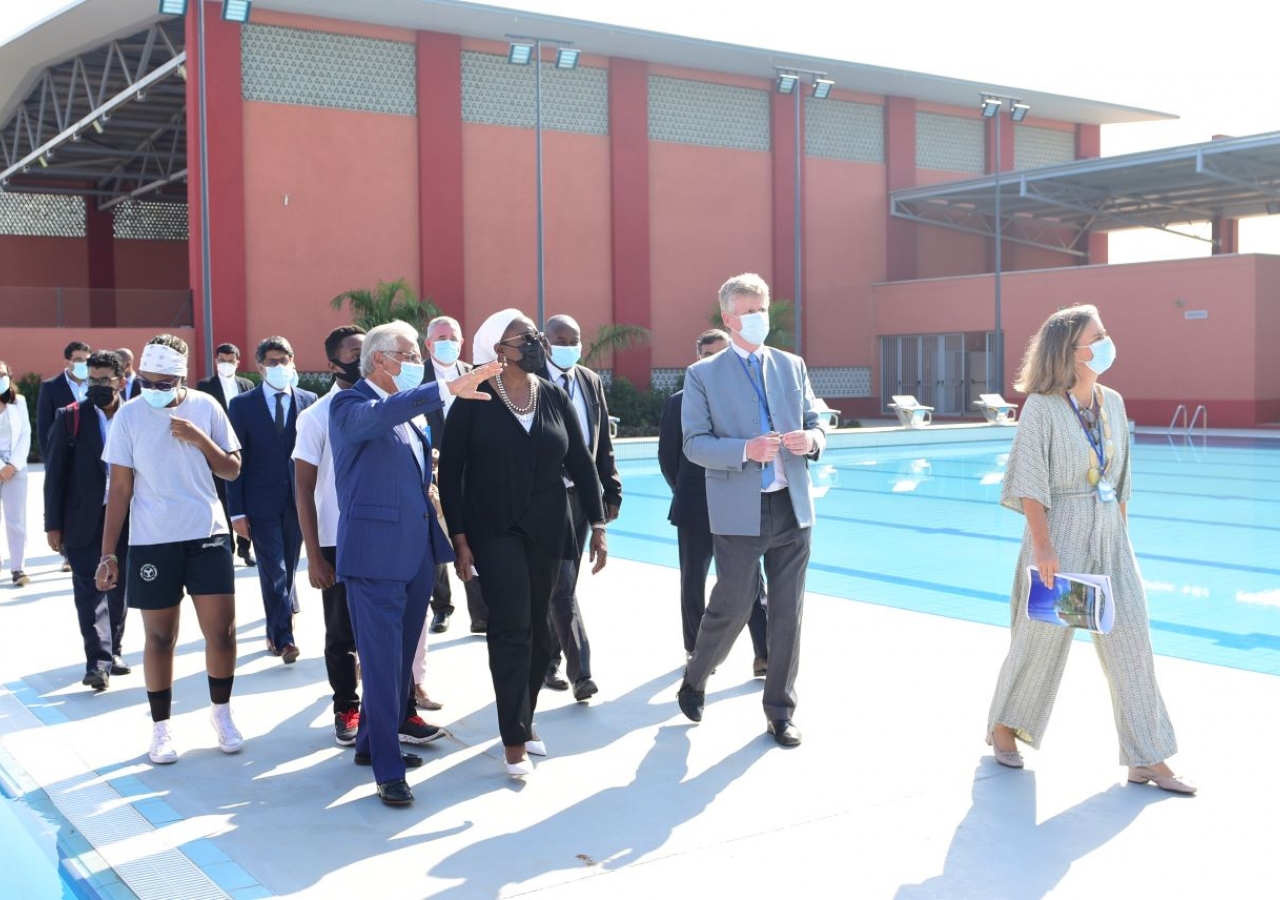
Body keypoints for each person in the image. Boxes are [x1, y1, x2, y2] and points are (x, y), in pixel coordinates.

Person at [986, 304, 1194, 794]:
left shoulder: (1114, 402)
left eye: (1105, 333)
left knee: (1132, 641)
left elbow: (1121, 481)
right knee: (1041, 640)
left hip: (1109, 536)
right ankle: (1004, 727)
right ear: (1072, 352)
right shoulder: (1041, 406)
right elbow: (1030, 483)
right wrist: (1043, 549)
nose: (1106, 342)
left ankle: (1147, 756)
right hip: (1062, 533)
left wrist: (1120, 539)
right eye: (1096, 336)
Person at [329, 321, 499, 807]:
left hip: (415, 555)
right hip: (374, 558)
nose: (414, 362)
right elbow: (377, 417)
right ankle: (387, 768)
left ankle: (367, 746)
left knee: (400, 665)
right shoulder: (349, 404)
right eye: (405, 354)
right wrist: (444, 387)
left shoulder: (408, 418)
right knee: (381, 668)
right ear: (379, 359)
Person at [439, 309, 607, 778]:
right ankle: (513, 739)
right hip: (494, 532)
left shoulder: (552, 395)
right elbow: (450, 474)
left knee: (539, 631)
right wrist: (460, 538)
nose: (536, 343)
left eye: (536, 336)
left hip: (549, 530)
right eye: (526, 337)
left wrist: (598, 524)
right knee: (511, 627)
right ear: (498, 350)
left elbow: (581, 461)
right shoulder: (473, 401)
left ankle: (524, 717)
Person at [676, 273, 826, 747]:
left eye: (762, 308)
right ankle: (696, 675)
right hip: (739, 510)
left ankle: (780, 710)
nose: (759, 317)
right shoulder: (702, 374)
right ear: (728, 317)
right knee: (733, 603)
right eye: (749, 310)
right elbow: (695, 444)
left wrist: (813, 439)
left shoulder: (791, 365)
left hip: (792, 506)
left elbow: (816, 421)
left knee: (788, 613)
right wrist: (746, 449)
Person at [96, 334, 245, 765]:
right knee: (160, 638)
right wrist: (108, 553)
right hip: (152, 540)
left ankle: (222, 713)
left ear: (181, 378)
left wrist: (201, 439)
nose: (153, 392)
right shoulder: (129, 416)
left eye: (164, 385)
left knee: (222, 632)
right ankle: (160, 729)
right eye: (146, 382)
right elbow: (120, 489)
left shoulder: (206, 408)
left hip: (207, 534)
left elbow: (232, 470)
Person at [658, 329, 769, 674]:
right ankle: (696, 650)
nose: (715, 363)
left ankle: (763, 652)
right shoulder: (679, 401)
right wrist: (690, 492)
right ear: (698, 358)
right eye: (709, 356)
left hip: (738, 506)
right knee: (692, 582)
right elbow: (668, 458)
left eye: (722, 355)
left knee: (750, 581)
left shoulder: (749, 401)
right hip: (695, 508)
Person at [540, 313, 622, 701]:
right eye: (560, 339)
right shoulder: (532, 380)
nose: (569, 346)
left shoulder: (589, 380)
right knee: (562, 586)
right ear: (544, 341)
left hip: (582, 496)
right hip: (546, 498)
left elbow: (601, 438)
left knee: (563, 584)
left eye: (575, 340)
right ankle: (582, 672)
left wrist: (610, 490)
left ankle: (547, 660)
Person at [294, 326, 369, 744]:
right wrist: (314, 555)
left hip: (382, 534)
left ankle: (396, 704)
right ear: (332, 363)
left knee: (385, 628)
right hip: (334, 539)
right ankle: (347, 707)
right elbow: (303, 488)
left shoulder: (387, 406)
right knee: (341, 632)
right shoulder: (315, 416)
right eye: (354, 352)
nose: (363, 358)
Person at [44, 350, 132, 689]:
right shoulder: (71, 417)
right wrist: (53, 524)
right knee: (88, 586)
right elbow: (55, 473)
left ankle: (115, 649)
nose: (96, 386)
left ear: (121, 380)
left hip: (125, 517)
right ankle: (97, 661)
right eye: (91, 380)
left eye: (103, 380)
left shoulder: (134, 416)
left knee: (118, 586)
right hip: (82, 517)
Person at [227, 337, 317, 664]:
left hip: (299, 500)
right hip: (260, 502)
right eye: (272, 362)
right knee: (273, 568)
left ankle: (281, 618)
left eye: (284, 360)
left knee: (289, 566)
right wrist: (236, 511)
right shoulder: (242, 405)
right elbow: (235, 462)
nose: (279, 367)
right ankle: (283, 637)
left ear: (293, 361)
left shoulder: (309, 400)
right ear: (261, 366)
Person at [424, 315, 489, 638]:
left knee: (471, 539)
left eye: (452, 337)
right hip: (430, 474)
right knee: (437, 541)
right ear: (428, 344)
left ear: (462, 342)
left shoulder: (473, 374)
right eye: (440, 337)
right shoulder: (414, 376)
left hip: (471, 474)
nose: (447, 342)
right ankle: (441, 608)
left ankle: (480, 614)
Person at [195, 343, 256, 567]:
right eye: (222, 360)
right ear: (216, 361)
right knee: (222, 498)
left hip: (243, 449)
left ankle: (244, 548)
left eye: (230, 360)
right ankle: (226, 548)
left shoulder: (247, 385)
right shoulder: (204, 386)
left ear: (237, 362)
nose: (226, 364)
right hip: (217, 450)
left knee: (244, 499)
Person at [0, 360, 32, 586]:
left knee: (16, 521)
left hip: (16, 469)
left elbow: (26, 434)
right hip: (3, 468)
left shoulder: (18, 401)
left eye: (1, 374)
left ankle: (18, 568)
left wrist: (12, 465)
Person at [37, 340, 91, 457]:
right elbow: (44, 428)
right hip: (64, 455)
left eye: (87, 360)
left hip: (93, 455)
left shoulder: (97, 385)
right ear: (67, 362)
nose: (83, 363)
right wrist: (50, 460)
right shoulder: (51, 387)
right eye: (78, 360)